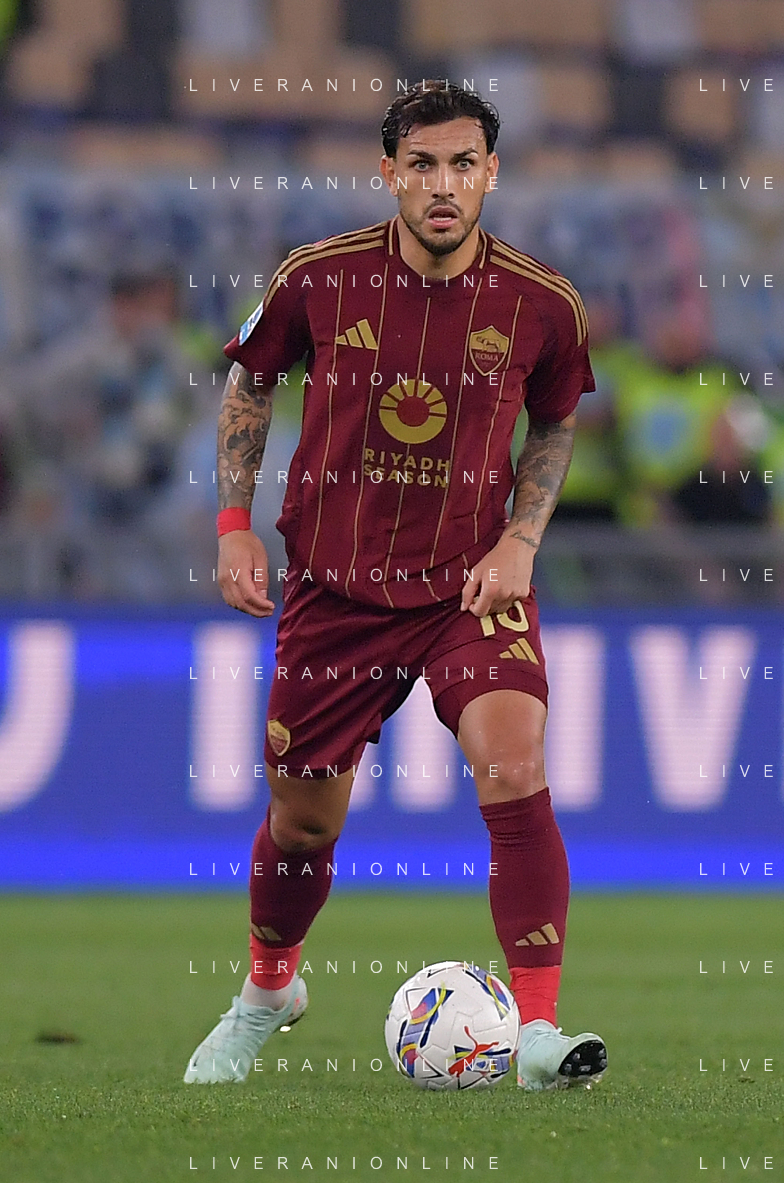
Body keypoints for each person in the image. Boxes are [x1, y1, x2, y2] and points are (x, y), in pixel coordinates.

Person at [184, 82, 608, 1093]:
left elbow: (555, 420)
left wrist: (520, 539)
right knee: (304, 824)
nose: (443, 185)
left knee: (513, 763)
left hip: (469, 585)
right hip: (335, 590)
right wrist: (234, 527)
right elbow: (251, 378)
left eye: (463, 164)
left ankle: (536, 1030)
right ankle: (268, 989)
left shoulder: (542, 303)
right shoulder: (317, 278)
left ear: (491, 173)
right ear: (388, 174)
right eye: (422, 165)